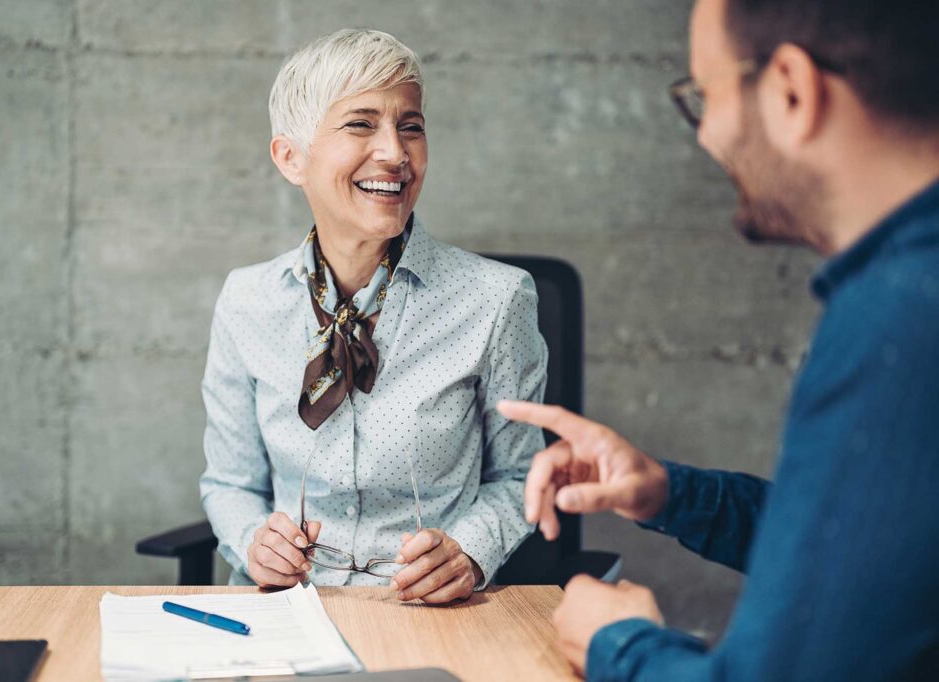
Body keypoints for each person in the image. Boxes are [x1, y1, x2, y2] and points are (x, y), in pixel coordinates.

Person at [499, 0, 939, 678]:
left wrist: (618, 643)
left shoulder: (899, 319)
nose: (707, 137)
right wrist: (670, 492)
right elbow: (859, 559)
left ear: (793, 89)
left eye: (707, 96)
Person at [199, 28, 547, 604]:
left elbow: (520, 478)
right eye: (361, 124)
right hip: (288, 613)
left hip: (433, 612)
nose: (395, 152)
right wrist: (251, 542)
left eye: (410, 126)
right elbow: (230, 485)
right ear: (292, 158)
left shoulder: (497, 298)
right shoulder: (246, 301)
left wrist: (469, 552)